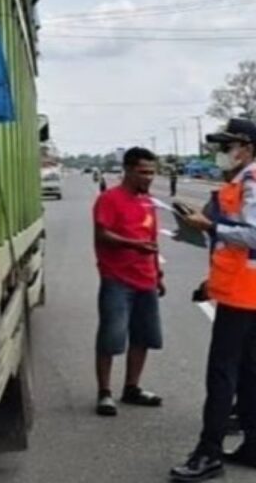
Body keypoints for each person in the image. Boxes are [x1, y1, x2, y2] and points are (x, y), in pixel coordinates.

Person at [170, 117, 256, 481]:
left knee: (222, 373)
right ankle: (253, 446)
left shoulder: (252, 180)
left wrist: (211, 226)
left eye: (227, 146)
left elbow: (253, 236)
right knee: (250, 373)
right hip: (243, 291)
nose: (223, 153)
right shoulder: (240, 181)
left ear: (247, 147)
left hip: (243, 294)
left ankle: (209, 454)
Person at [93, 147, 164, 417]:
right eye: (143, 172)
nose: (148, 178)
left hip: (145, 279)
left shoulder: (148, 202)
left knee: (144, 336)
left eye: (152, 172)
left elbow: (153, 241)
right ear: (128, 170)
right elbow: (102, 235)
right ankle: (104, 392)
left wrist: (158, 273)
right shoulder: (110, 199)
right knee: (111, 337)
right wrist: (134, 245)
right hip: (117, 279)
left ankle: (132, 387)